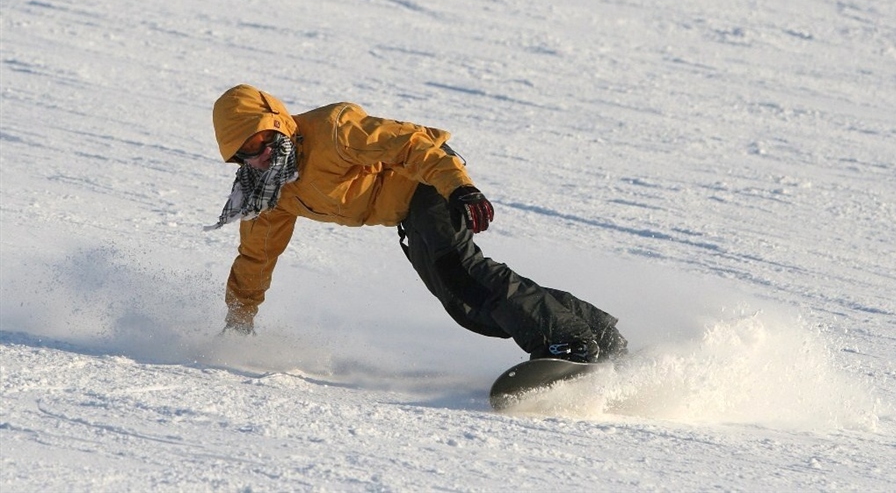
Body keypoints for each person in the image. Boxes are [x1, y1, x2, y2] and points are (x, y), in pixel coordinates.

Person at [207, 84, 627, 363]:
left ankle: (566, 342)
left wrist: (459, 187)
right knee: (466, 307)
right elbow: (256, 257)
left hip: (427, 186)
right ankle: (597, 333)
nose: (257, 155)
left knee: (464, 274)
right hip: (407, 215)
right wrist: (238, 320)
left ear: (276, 123)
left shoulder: (333, 131)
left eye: (259, 140)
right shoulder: (269, 191)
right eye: (244, 153)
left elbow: (410, 143)